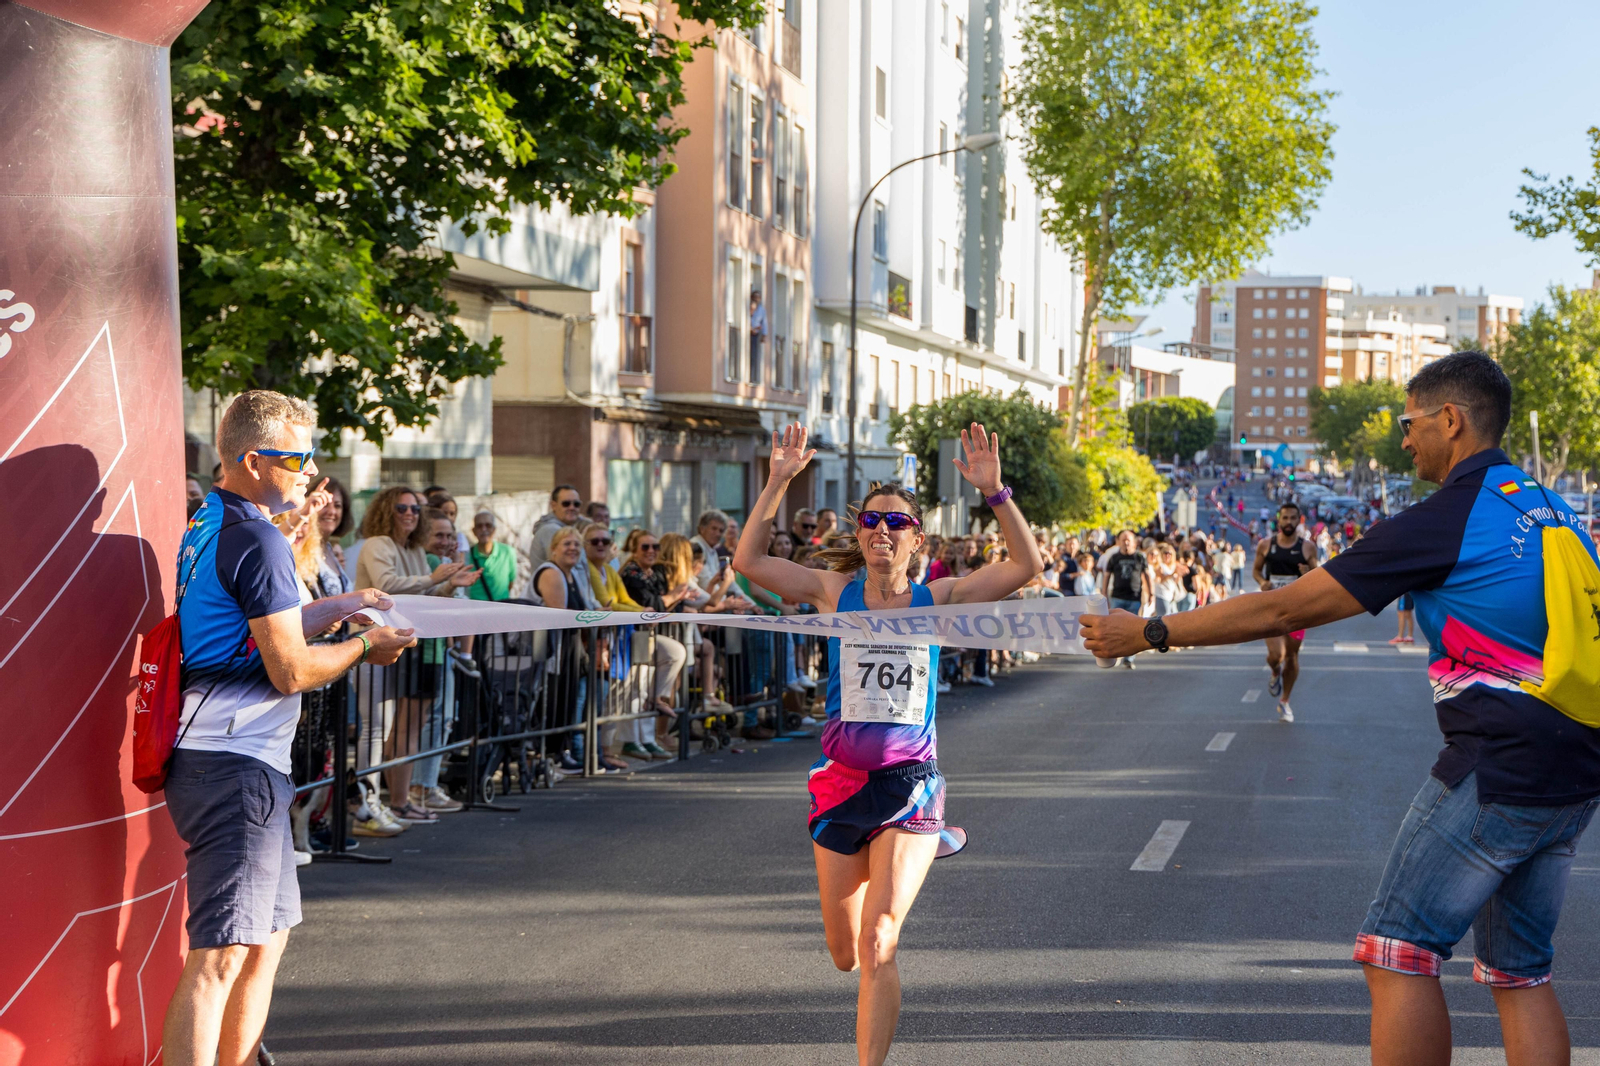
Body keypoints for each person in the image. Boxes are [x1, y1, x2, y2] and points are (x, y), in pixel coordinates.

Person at [1083, 351, 1600, 1066]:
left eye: (1409, 423)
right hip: (1577, 764)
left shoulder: (1448, 518)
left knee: (1397, 953)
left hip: (1502, 764)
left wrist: (1151, 631)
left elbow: (1286, 608)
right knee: (1520, 972)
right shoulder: (1553, 509)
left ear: (1450, 420)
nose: (1403, 439)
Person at [732, 422, 1044, 1066]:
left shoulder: (940, 599)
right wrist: (778, 481)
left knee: (879, 941)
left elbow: (1026, 567)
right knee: (846, 954)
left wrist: (995, 492)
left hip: (910, 785)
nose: (882, 529)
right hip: (840, 784)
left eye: (896, 522)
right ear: (859, 534)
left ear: (916, 539)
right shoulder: (832, 592)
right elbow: (749, 564)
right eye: (871, 520)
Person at [163, 391, 415, 1066]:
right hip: (234, 765)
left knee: (264, 942)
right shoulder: (257, 538)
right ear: (253, 461)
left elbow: (260, 628)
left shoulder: (213, 521)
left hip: (237, 762)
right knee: (220, 956)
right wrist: (364, 646)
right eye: (298, 458)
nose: (311, 472)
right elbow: (292, 670)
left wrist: (342, 605)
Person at [355, 486, 480, 821]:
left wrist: (450, 583)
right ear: (386, 511)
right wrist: (432, 578)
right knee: (377, 728)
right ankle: (369, 806)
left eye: (415, 509)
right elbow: (385, 586)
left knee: (401, 728)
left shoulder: (411, 549)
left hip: (397, 647)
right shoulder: (377, 544)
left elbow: (425, 596)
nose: (410, 514)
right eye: (402, 508)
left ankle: (390, 803)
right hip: (369, 645)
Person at [1252, 502, 1316, 722]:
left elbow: (1318, 575)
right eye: (1285, 518)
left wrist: (1308, 573)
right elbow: (1256, 570)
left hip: (1297, 611)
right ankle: (1274, 670)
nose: (1288, 522)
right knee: (1276, 655)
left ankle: (1285, 701)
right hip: (1271, 608)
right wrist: (1262, 582)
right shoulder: (1266, 545)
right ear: (1278, 520)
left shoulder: (1307, 547)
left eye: (1293, 518)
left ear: (1299, 520)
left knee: (1291, 656)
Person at [1098, 529, 1151, 668]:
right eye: (1123, 540)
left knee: (1132, 629)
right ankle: (1116, 654)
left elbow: (1147, 576)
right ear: (1118, 542)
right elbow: (1106, 576)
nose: (1126, 543)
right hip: (1117, 597)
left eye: (1128, 540)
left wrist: (1151, 593)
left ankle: (1129, 658)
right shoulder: (1114, 557)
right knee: (1115, 627)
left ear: (1134, 542)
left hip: (1134, 597)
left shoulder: (1140, 557)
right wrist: (1104, 593)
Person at [529, 484, 583, 568]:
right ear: (553, 506)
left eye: (576, 504)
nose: (572, 507)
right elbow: (565, 566)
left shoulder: (566, 529)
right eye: (566, 504)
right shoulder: (551, 530)